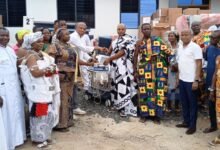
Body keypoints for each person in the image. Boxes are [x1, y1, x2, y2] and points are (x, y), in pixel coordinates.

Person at [18, 32, 60, 148]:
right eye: (38, 41)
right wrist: (50, 69)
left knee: (47, 114)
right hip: (38, 91)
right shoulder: (31, 56)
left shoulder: (40, 54)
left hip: (45, 90)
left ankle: (45, 136)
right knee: (39, 114)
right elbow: (35, 73)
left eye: (42, 41)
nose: (41, 43)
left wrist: (51, 69)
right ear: (31, 43)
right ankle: (37, 139)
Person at [52, 28, 92, 131]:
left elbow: (76, 60)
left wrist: (88, 63)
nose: (68, 36)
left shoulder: (69, 46)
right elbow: (50, 62)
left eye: (68, 34)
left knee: (68, 99)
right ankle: (60, 124)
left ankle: (68, 121)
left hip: (70, 77)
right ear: (59, 36)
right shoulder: (55, 46)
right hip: (60, 78)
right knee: (61, 100)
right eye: (65, 34)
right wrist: (57, 73)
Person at [133, 23, 171, 123]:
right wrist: (135, 71)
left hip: (158, 70)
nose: (146, 30)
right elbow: (135, 57)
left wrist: (169, 64)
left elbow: (168, 53)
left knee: (158, 92)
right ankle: (144, 115)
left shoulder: (158, 41)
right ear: (142, 31)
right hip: (144, 70)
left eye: (148, 29)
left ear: (151, 29)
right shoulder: (139, 43)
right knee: (144, 92)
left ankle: (157, 116)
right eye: (144, 29)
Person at [0, 27, 26, 149]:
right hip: (3, 91)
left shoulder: (10, 50)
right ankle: (6, 144)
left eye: (7, 35)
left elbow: (14, 65)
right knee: (5, 117)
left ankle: (16, 140)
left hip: (14, 89)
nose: (5, 37)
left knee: (15, 114)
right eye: (2, 35)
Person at [103, 24, 137, 117]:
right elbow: (110, 51)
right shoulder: (115, 40)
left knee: (123, 86)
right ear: (116, 30)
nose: (120, 31)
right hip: (115, 67)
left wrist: (109, 59)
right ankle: (117, 105)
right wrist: (106, 51)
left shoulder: (129, 39)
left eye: (122, 29)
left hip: (124, 67)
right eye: (119, 29)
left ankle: (125, 109)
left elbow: (122, 52)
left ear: (125, 29)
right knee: (115, 86)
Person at [176, 29, 203, 135]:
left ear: (191, 36)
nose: (183, 36)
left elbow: (199, 64)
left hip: (191, 81)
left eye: (186, 34)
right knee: (184, 102)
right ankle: (186, 122)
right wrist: (178, 77)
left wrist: (196, 80)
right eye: (182, 34)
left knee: (192, 104)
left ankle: (192, 126)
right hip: (182, 80)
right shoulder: (180, 47)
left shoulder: (195, 47)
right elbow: (180, 63)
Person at [69, 22, 107, 96]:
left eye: (84, 29)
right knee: (72, 79)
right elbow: (84, 48)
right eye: (81, 28)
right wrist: (98, 47)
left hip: (79, 58)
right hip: (70, 60)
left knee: (85, 71)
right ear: (76, 28)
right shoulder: (73, 37)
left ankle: (87, 90)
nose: (82, 30)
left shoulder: (83, 37)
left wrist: (90, 58)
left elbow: (83, 51)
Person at [203, 31, 220, 134]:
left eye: (214, 38)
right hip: (209, 80)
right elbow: (205, 59)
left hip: (217, 82)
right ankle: (213, 125)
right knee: (210, 104)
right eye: (211, 37)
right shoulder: (209, 48)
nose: (211, 39)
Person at [167, 31, 180, 112]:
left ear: (176, 37)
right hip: (169, 69)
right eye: (169, 36)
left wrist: (177, 66)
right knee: (169, 87)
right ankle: (168, 105)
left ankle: (176, 105)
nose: (170, 37)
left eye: (172, 36)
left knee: (177, 86)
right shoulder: (166, 47)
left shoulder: (180, 47)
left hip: (179, 69)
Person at [209, 55, 220, 145]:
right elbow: (215, 73)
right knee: (219, 112)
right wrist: (212, 89)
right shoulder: (218, 58)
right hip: (219, 91)